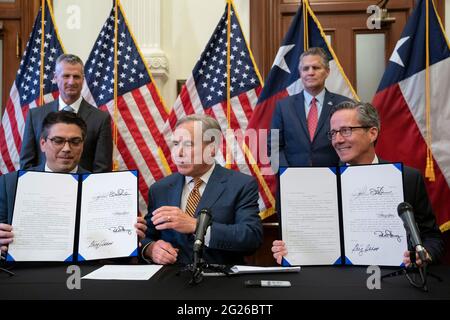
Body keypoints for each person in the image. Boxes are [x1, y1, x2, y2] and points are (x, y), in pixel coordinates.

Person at [272, 101, 444, 267]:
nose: (337, 140)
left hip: (394, 281)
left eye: (346, 131)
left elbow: (432, 237)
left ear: (372, 133)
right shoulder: (320, 184)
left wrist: (426, 254)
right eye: (333, 133)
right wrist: (289, 250)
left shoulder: (407, 178)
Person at [0, 111, 146, 255]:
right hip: (25, 272)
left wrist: (128, 239)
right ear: (43, 144)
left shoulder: (104, 187)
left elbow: (115, 247)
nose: (67, 149)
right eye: (58, 140)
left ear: (82, 145)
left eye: (75, 142)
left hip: (89, 272)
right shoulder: (9, 184)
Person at [141, 114, 263, 265]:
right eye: (175, 144)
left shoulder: (241, 185)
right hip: (169, 279)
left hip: (219, 279)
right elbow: (147, 236)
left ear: (211, 149)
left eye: (188, 144)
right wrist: (151, 249)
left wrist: (196, 226)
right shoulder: (160, 189)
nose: (178, 153)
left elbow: (251, 238)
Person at [20, 53, 112, 173]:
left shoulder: (100, 118)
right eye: (66, 76)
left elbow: (102, 169)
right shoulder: (35, 116)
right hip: (42, 188)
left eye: (76, 76)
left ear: (83, 79)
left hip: (82, 188)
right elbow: (27, 164)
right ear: (55, 77)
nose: (71, 81)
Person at [270, 47, 351, 168]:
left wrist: (340, 173)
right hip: (292, 180)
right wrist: (285, 174)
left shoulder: (344, 105)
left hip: (334, 179)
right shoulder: (283, 106)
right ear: (300, 73)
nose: (310, 72)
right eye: (305, 68)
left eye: (316, 68)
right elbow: (273, 145)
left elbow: (349, 143)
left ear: (327, 72)